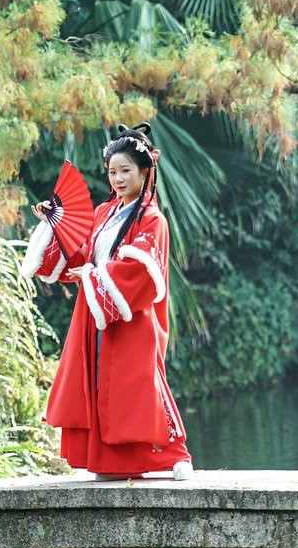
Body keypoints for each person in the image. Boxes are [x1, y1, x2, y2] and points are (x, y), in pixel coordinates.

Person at [21, 124, 193, 481]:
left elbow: (143, 270)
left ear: (145, 171)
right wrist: (52, 225)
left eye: (126, 170)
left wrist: (96, 277)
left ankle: (175, 454)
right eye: (112, 171)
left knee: (142, 382)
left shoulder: (151, 219)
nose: (117, 178)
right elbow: (81, 252)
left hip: (133, 315)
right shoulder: (102, 213)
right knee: (101, 384)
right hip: (95, 311)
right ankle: (112, 461)